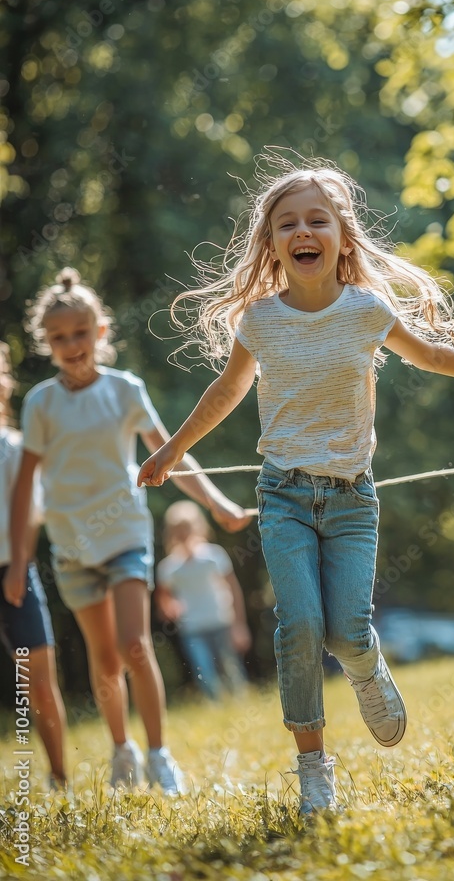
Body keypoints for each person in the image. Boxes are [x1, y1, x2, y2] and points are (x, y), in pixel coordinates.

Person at [137, 157, 454, 815]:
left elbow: (430, 355)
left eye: (316, 220)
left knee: (347, 633)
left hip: (353, 499)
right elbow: (223, 395)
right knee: (298, 624)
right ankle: (312, 768)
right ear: (271, 245)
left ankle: (365, 667)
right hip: (284, 497)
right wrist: (170, 451)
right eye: (287, 223)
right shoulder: (262, 321)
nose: (303, 230)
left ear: (341, 238)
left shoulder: (365, 311)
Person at [3, 269, 250, 796]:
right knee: (106, 658)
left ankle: (159, 753)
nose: (72, 345)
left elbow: (173, 457)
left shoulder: (125, 390)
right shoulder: (41, 403)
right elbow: (24, 489)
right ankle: (123, 749)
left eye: (80, 333)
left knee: (135, 644)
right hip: (72, 549)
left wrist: (220, 503)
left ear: (100, 332)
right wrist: (21, 562)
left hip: (124, 537)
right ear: (47, 342)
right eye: (59, 337)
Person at [0, 342, 68, 791]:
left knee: (39, 685)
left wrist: (17, 569)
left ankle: (60, 777)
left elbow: (29, 515)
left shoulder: (14, 449)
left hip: (13, 574)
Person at [155, 500, 251, 700]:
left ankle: (241, 706)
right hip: (192, 628)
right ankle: (217, 710)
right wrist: (169, 607)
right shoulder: (169, 567)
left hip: (221, 620)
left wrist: (238, 625)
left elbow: (233, 589)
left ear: (198, 526)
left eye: (186, 527)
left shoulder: (214, 556)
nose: (183, 533)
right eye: (177, 529)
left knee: (232, 670)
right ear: (171, 532)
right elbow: (163, 597)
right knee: (205, 674)